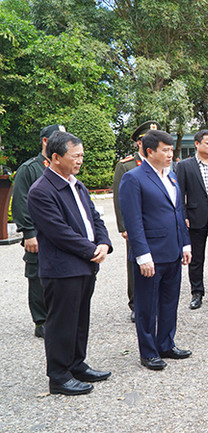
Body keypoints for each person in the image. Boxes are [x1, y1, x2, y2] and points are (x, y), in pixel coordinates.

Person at [27, 131, 112, 395]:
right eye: (75, 156)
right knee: (61, 322)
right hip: (63, 269)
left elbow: (95, 218)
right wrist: (91, 249)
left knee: (79, 319)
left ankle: (77, 363)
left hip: (85, 265)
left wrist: (104, 243)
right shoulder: (41, 190)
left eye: (81, 156)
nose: (80, 161)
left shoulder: (77, 184)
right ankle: (59, 376)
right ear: (55, 157)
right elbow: (58, 231)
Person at [119, 130, 192, 371]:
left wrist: (185, 243)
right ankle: (148, 351)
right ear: (150, 151)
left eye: (172, 150)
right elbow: (133, 221)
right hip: (150, 254)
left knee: (170, 302)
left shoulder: (171, 176)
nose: (170, 154)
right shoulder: (134, 178)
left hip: (172, 250)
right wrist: (142, 256)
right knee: (147, 306)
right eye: (165, 150)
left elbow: (178, 212)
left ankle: (166, 343)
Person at [12, 124, 65, 338]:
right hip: (38, 234)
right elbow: (21, 202)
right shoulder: (31, 168)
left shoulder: (62, 167)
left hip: (60, 235)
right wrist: (28, 232)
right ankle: (41, 321)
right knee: (37, 275)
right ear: (45, 141)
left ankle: (58, 317)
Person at [113, 120, 160, 322]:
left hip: (158, 224)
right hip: (137, 224)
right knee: (136, 263)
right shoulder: (127, 165)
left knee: (158, 261)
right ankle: (136, 303)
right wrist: (124, 227)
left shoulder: (162, 162)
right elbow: (119, 197)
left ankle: (155, 299)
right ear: (139, 144)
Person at [175, 129, 208, 310]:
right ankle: (197, 292)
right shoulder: (185, 166)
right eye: (207, 143)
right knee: (196, 258)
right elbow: (179, 195)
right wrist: (183, 216)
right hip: (195, 217)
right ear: (197, 144)